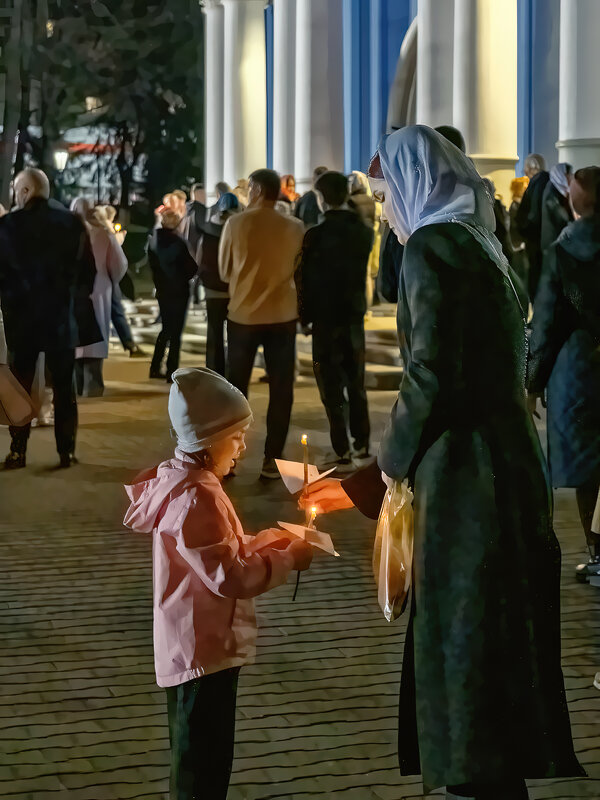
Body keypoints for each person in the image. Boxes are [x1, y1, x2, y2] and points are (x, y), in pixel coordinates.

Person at [302, 126, 583, 800]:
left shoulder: (433, 249)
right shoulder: (485, 244)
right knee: (496, 625)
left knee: (465, 629)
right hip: (510, 465)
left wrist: (377, 475)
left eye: (388, 193)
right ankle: (493, 767)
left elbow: (430, 375)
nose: (387, 210)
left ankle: (472, 774)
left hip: (464, 479)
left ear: (416, 183)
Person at [124, 366, 312, 800]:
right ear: (209, 439)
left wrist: (273, 539)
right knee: (201, 769)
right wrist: (286, 558)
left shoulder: (188, 483)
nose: (244, 445)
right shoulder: (197, 497)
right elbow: (229, 575)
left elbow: (221, 549)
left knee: (199, 759)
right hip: (202, 652)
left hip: (196, 647)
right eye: (237, 435)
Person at [0, 168, 101, 469]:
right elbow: (88, 272)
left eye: (18, 190)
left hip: (22, 321)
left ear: (26, 191)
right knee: (64, 388)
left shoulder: (8, 226)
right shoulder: (71, 224)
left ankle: (18, 450)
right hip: (61, 319)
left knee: (21, 385)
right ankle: (65, 451)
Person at [528, 166, 600, 584]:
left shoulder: (563, 249)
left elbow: (547, 324)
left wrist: (533, 382)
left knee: (590, 468)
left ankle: (597, 554)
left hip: (578, 370)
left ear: (575, 200)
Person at [219, 169, 305, 479]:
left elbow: (225, 270)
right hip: (282, 315)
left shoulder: (236, 223)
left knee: (235, 390)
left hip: (243, 314)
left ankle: (227, 457)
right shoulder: (295, 227)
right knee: (282, 388)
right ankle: (272, 458)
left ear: (255, 189)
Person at [297, 171, 373, 471]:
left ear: (321, 197)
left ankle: (340, 447)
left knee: (330, 387)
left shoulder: (315, 235)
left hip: (325, 320)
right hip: (353, 315)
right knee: (356, 383)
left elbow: (305, 280)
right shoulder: (363, 230)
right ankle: (362, 442)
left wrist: (304, 316)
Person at [148, 209, 198, 382]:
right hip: (179, 291)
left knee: (166, 329)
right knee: (176, 333)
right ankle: (172, 369)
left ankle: (155, 366)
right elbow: (192, 267)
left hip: (163, 290)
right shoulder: (178, 242)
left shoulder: (153, 241)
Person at [197, 193, 240, 376]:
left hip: (212, 289)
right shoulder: (238, 231)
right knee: (235, 334)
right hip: (234, 291)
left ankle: (214, 371)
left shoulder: (207, 232)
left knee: (214, 332)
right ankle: (233, 370)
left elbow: (200, 260)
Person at [516, 153, 550, 300]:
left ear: (532, 167)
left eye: (525, 168)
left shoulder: (537, 184)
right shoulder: (551, 183)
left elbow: (531, 217)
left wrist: (524, 231)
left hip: (536, 245)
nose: (524, 172)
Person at [540, 163, 574, 253]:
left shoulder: (560, 190)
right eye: (568, 174)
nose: (571, 177)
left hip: (557, 242)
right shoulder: (552, 193)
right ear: (560, 175)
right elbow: (561, 218)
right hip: (552, 242)